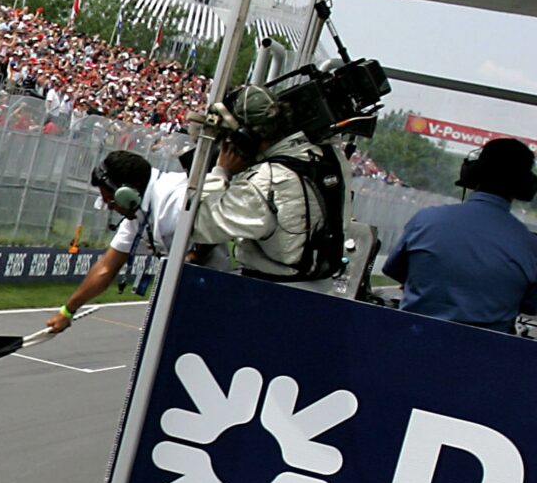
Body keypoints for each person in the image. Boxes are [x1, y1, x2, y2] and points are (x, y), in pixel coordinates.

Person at [190, 87, 348, 286]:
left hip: (269, 293)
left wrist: (221, 171)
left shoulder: (266, 182)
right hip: (319, 287)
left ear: (244, 137)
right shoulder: (329, 156)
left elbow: (196, 223)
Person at [381, 136, 537, 333]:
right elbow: (531, 305)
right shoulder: (530, 247)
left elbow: (395, 270)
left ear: (472, 173)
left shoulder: (425, 220)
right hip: (486, 357)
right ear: (525, 185)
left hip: (411, 343)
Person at [48, 149, 190, 332]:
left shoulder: (175, 200)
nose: (111, 208)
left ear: (128, 193)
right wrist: (67, 311)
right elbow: (106, 267)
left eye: (111, 201)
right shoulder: (136, 212)